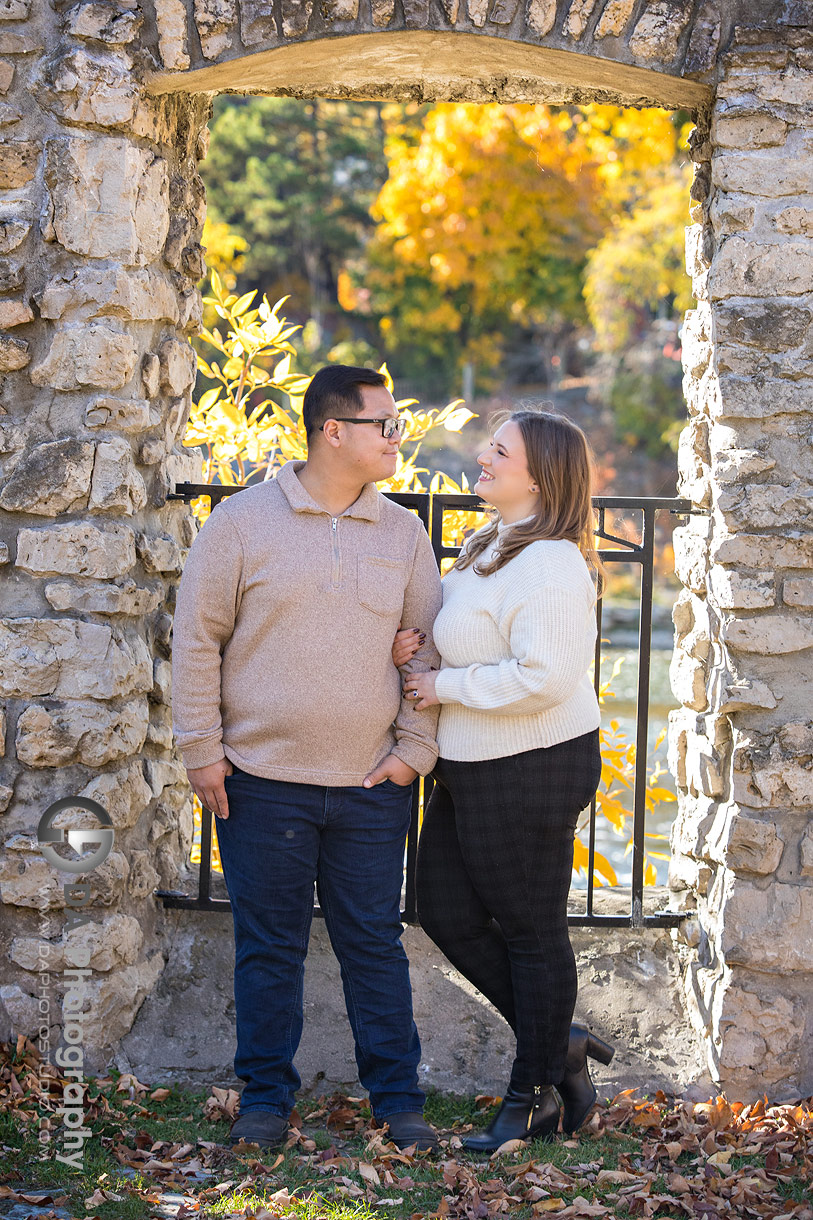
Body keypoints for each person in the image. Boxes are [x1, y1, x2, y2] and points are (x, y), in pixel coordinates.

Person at [172, 365, 443, 1153]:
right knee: (268, 947)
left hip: (369, 785)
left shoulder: (403, 532)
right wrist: (203, 751)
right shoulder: (241, 522)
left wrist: (412, 755)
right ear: (334, 431)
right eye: (383, 424)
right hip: (259, 784)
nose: (397, 437)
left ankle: (398, 1103)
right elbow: (197, 640)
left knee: (374, 945)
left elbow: (427, 652)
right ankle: (264, 1101)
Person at [394, 407, 614, 1152]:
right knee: (446, 913)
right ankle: (560, 1046)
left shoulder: (551, 563)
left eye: (498, 450)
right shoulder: (491, 543)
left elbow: (545, 678)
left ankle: (531, 1097)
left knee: (530, 934)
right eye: (487, 445)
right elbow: (471, 638)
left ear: (538, 475)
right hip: (470, 763)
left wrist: (445, 686)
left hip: (531, 764)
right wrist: (421, 654)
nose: (481, 457)